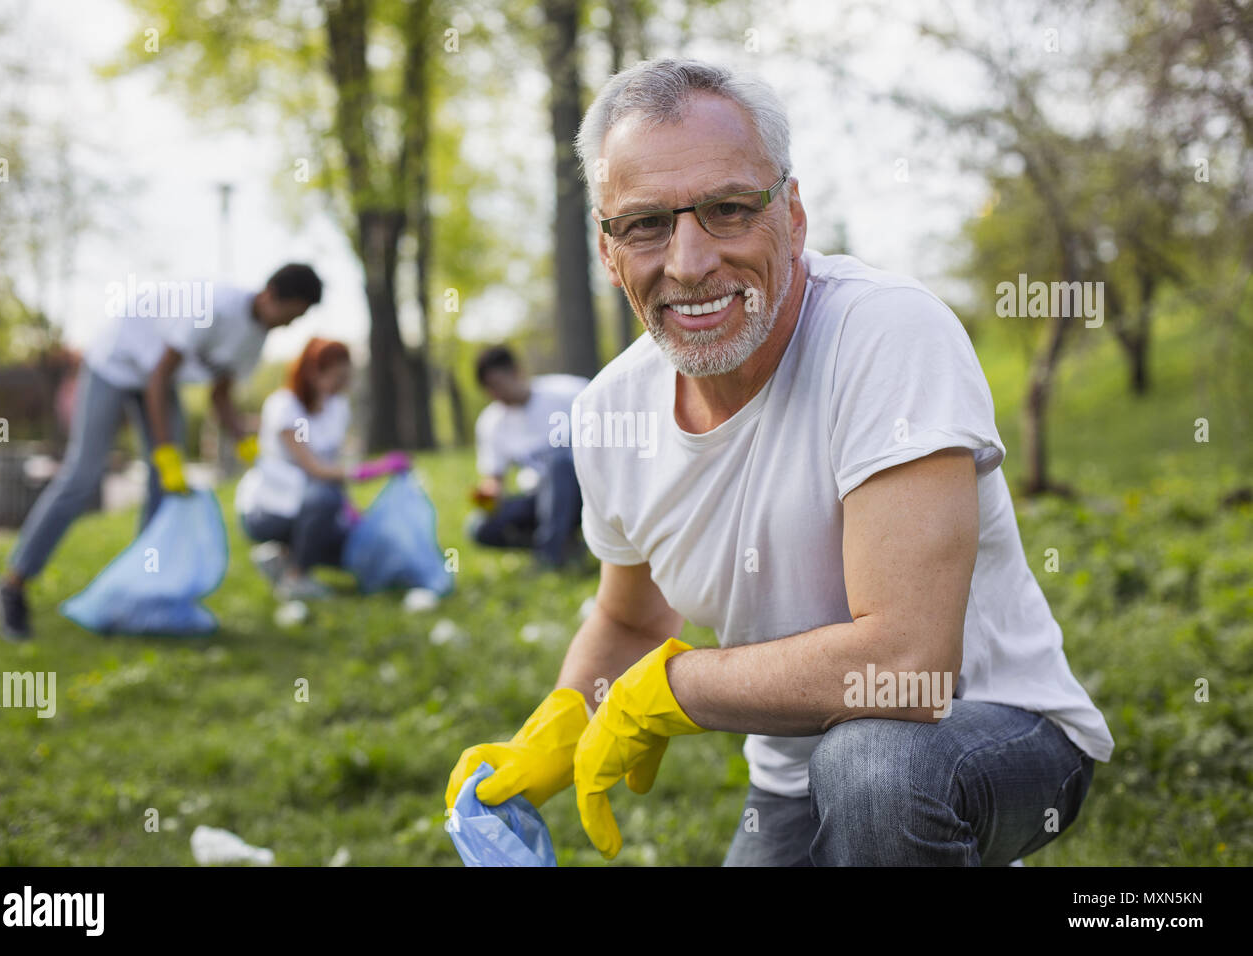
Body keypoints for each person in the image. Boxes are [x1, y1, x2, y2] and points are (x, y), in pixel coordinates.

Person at [446, 58, 1114, 866]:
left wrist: (676, 689)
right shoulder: (608, 414)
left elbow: (909, 668)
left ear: (791, 215)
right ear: (607, 248)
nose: (689, 263)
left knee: (871, 763)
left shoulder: (886, 335)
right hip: (792, 780)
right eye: (646, 223)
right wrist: (560, 723)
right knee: (843, 767)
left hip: (991, 732)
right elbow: (629, 617)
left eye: (727, 210)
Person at [0, 263, 322, 641]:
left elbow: (220, 392)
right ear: (272, 295)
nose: (293, 324)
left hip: (159, 379)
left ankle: (138, 594)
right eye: (294, 313)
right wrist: (165, 454)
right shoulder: (214, 306)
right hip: (114, 365)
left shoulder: (257, 337)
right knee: (82, 476)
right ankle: (12, 585)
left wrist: (243, 441)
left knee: (162, 491)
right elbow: (158, 377)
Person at [235, 337, 383, 601]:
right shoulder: (285, 407)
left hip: (311, 507)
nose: (343, 386)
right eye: (338, 378)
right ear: (315, 372)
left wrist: (348, 509)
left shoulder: (336, 406)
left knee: (349, 546)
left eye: (346, 378)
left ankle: (279, 557)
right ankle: (295, 578)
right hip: (269, 508)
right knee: (326, 495)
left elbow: (332, 462)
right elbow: (314, 468)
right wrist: (366, 471)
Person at [468, 345, 589, 569]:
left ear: (516, 372)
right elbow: (494, 478)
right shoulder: (491, 423)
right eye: (488, 389)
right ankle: (564, 544)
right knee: (478, 527)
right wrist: (489, 494)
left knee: (559, 463)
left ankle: (550, 557)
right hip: (538, 496)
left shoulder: (568, 392)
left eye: (497, 385)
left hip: (585, 491)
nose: (495, 394)